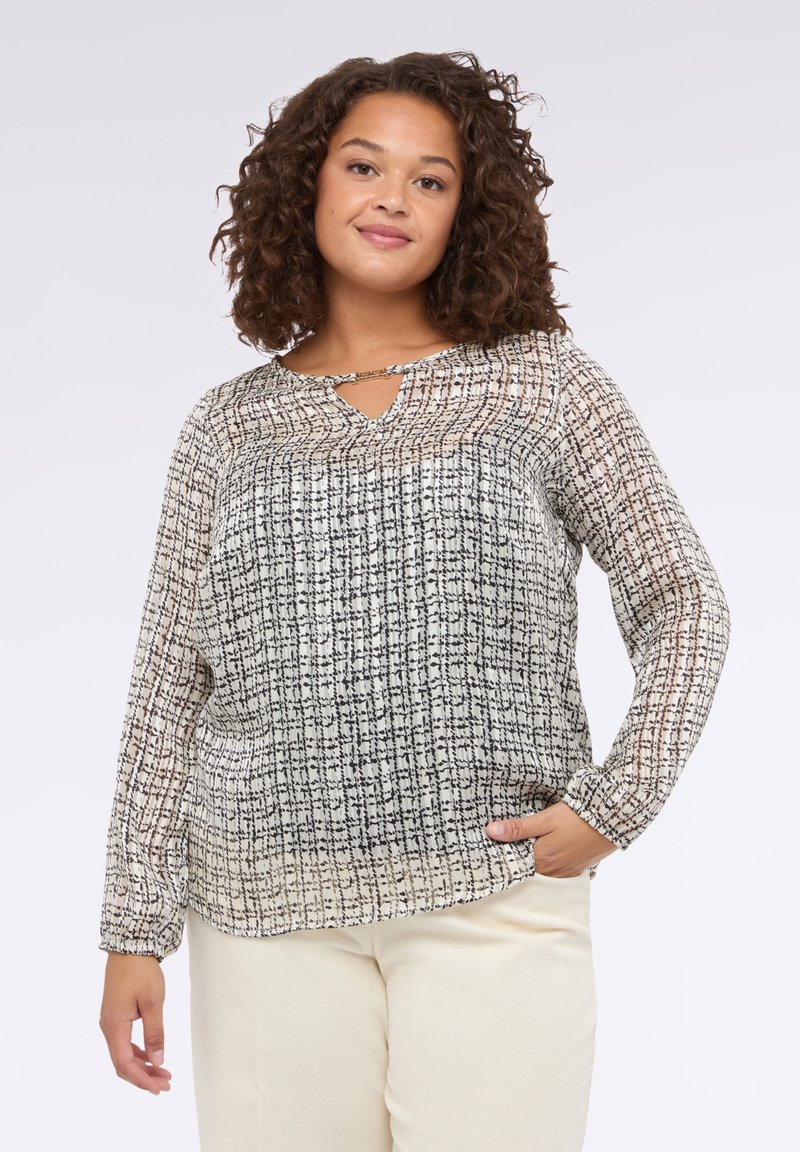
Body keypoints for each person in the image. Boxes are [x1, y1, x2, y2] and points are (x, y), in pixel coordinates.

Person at [98, 50, 731, 1152]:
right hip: (258, 914)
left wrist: (616, 804)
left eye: (429, 179)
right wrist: (133, 928)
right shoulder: (226, 426)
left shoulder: (542, 382)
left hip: (493, 895)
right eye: (363, 166)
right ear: (305, 186)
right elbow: (170, 683)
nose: (392, 197)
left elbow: (682, 597)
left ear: (465, 213)